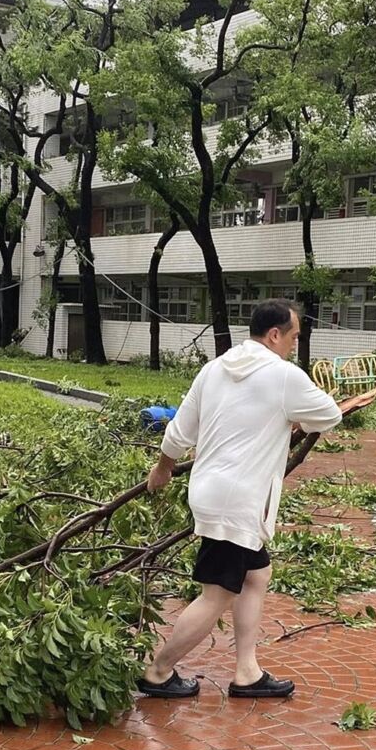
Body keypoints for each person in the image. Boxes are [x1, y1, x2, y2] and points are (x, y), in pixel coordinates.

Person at [137, 299, 342, 699]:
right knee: (217, 593)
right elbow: (330, 414)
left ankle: (247, 672)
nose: (294, 346)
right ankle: (158, 672)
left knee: (256, 575)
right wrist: (296, 417)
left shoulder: (214, 369)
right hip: (238, 501)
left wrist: (162, 468)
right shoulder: (284, 375)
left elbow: (180, 430)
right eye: (294, 338)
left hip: (210, 490)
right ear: (274, 335)